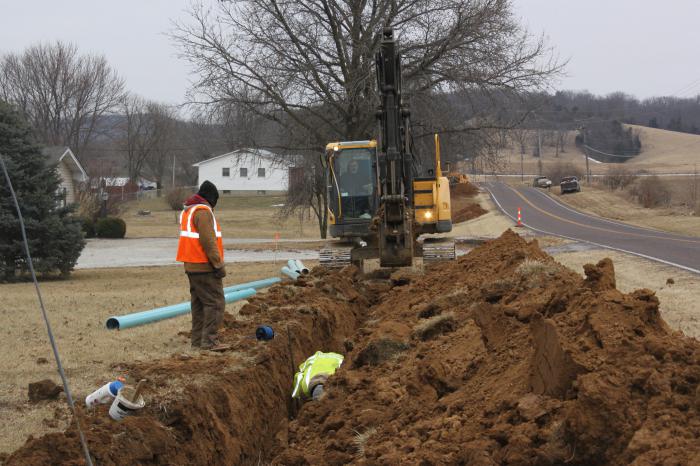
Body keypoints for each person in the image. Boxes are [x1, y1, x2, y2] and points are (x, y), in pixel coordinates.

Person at [176, 180, 228, 351]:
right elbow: (208, 241)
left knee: (198, 304)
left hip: (191, 265)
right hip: (204, 266)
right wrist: (218, 264)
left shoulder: (189, 211)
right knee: (215, 303)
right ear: (211, 198)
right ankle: (209, 342)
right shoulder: (203, 212)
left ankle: (197, 342)